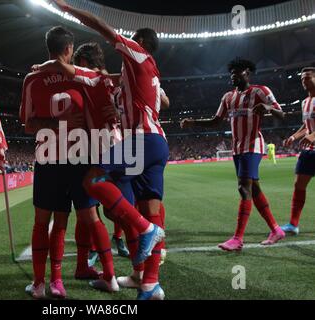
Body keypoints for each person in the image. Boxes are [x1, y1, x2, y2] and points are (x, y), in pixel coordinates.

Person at [50, 0, 167, 300]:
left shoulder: (138, 55)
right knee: (148, 208)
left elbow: (102, 27)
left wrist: (67, 8)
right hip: (154, 142)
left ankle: (144, 233)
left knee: (94, 181)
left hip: (139, 140)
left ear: (139, 43)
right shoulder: (139, 73)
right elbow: (162, 101)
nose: (122, 44)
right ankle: (148, 281)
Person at [20, 27, 103, 299]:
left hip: (48, 159)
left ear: (49, 48)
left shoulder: (32, 79)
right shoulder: (81, 78)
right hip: (79, 158)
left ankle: (39, 283)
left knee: (41, 223)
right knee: (62, 223)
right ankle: (57, 281)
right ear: (69, 49)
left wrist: (53, 124)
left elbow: (28, 124)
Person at [181, 58, 286, 251]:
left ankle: (237, 239)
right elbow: (215, 121)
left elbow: (282, 114)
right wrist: (193, 122)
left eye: (236, 72)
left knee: (243, 188)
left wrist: (269, 108)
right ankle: (276, 229)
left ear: (247, 72)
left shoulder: (260, 91)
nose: (232, 75)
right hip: (237, 148)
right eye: (231, 72)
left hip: (252, 145)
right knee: (253, 189)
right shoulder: (228, 97)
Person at [281, 67, 315, 235]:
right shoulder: (304, 102)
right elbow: (305, 126)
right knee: (298, 185)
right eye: (302, 78)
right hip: (309, 151)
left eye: (308, 78)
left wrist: (314, 135)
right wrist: (294, 137)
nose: (304, 81)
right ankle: (293, 225)